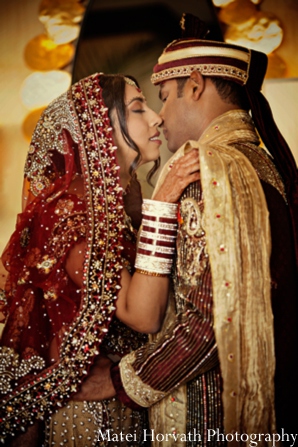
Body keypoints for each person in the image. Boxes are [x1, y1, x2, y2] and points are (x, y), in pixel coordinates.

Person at [91, 14, 298, 446]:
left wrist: (118, 381)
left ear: (197, 85)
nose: (159, 117)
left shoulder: (206, 170)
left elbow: (208, 322)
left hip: (204, 420)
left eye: (163, 97)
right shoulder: (262, 162)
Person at [0, 72, 200, 446]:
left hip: (123, 399)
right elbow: (142, 314)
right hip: (88, 413)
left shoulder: (116, 202)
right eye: (138, 108)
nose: (156, 117)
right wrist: (162, 204)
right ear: (98, 128)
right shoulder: (75, 210)